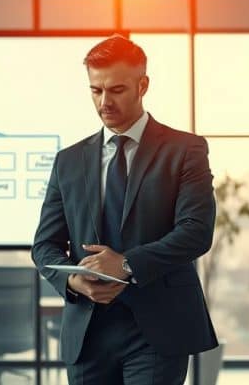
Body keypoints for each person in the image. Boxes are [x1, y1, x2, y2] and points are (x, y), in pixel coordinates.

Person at [32, 34, 218, 384]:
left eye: (116, 90)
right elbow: (44, 246)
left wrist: (127, 264)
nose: (104, 102)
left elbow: (196, 231)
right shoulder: (68, 161)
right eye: (96, 90)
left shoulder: (185, 150)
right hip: (88, 330)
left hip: (157, 329)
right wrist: (73, 281)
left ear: (142, 85)